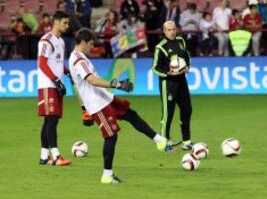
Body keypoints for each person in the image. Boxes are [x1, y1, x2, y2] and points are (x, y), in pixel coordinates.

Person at [69, 28, 172, 184]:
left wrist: (84, 108)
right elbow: (91, 80)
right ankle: (107, 175)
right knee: (111, 136)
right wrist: (116, 84)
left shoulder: (79, 57)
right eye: (91, 44)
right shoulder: (78, 60)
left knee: (131, 114)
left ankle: (160, 141)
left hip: (105, 98)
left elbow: (79, 85)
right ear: (83, 42)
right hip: (97, 105)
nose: (92, 47)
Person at [152, 21, 193, 150]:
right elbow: (155, 68)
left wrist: (187, 66)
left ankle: (186, 142)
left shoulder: (181, 41)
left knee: (187, 110)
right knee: (168, 114)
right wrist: (168, 73)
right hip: (168, 84)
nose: (172, 32)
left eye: (174, 29)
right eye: (169, 30)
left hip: (181, 81)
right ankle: (164, 143)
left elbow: (187, 55)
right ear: (164, 31)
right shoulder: (160, 47)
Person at [37, 11, 71, 166]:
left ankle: (44, 157)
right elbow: (42, 63)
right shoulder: (46, 41)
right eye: (65, 23)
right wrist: (56, 80)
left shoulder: (61, 42)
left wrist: (67, 72)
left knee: (50, 120)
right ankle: (56, 156)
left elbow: (56, 63)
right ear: (56, 22)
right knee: (51, 120)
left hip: (56, 84)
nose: (67, 26)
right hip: (48, 85)